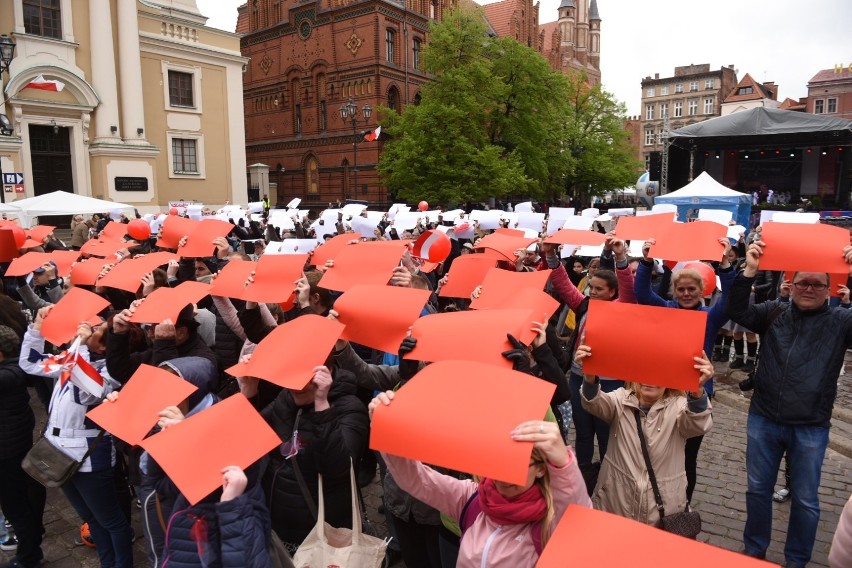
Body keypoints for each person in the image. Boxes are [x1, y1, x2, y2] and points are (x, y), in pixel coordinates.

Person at [725, 239, 852, 568]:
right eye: (802, 282)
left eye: (817, 283)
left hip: (811, 425)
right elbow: (736, 311)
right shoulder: (774, 311)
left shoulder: (841, 321)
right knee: (757, 491)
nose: (808, 288)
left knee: (807, 502)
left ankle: (796, 561)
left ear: (829, 289)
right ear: (791, 285)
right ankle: (755, 553)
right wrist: (749, 271)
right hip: (764, 418)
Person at [368, 391, 591, 568]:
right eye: (496, 463)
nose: (503, 476)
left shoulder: (549, 522)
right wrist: (387, 429)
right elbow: (415, 479)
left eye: (517, 465)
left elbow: (579, 524)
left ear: (542, 469)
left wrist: (564, 465)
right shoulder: (472, 499)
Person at [20, 308, 133, 568]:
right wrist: (37, 326)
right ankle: (107, 562)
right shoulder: (70, 358)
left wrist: (78, 347)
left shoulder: (111, 372)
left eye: (94, 330)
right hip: (58, 450)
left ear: (105, 347)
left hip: (89, 457)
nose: (86, 329)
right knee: (89, 518)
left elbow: (87, 394)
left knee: (111, 521)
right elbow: (30, 362)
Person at [635, 237, 735, 503]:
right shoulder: (666, 309)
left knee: (689, 455)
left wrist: (726, 265)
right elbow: (642, 294)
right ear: (674, 290)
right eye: (681, 289)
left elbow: (733, 301)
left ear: (702, 291)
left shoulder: (710, 316)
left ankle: (682, 503)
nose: (687, 293)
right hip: (665, 391)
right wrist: (646, 262)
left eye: (692, 289)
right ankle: (656, 499)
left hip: (695, 393)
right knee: (660, 449)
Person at [574, 345, 714, 526]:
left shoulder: (679, 408)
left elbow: (698, 423)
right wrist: (589, 375)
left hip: (661, 510)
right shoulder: (620, 400)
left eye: (658, 374)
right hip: (616, 503)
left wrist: (697, 391)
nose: (650, 380)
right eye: (645, 373)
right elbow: (593, 402)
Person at [0, 326, 45, 568]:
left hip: (7, 452)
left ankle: (28, 557)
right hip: (14, 446)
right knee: (20, 502)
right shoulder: (14, 369)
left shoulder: (7, 375)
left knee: (15, 506)